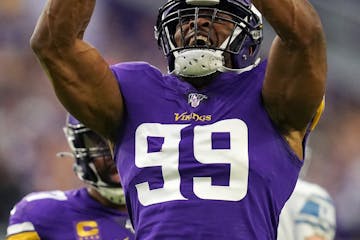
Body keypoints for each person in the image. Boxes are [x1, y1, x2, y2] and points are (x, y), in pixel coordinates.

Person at [30, 0, 327, 239]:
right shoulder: (132, 91)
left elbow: (304, 37)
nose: (197, 22)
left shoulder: (269, 94)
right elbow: (54, 45)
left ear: (249, 41)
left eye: (216, 15)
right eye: (185, 18)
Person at [6, 114, 134, 240]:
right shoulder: (42, 216)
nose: (114, 154)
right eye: (98, 142)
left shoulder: (154, 211)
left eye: (124, 139)